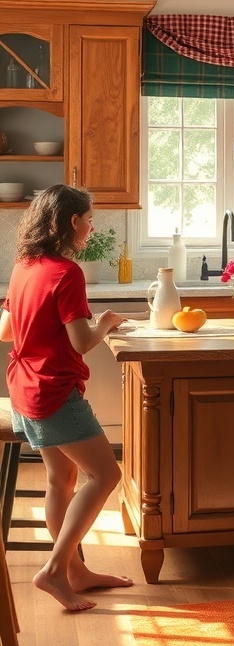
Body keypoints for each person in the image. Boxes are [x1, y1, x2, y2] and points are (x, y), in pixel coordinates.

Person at [0, 184, 133, 612]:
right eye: (89, 220)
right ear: (72, 222)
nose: (92, 228)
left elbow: (5, 331)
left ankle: (75, 571)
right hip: (54, 392)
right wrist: (105, 323)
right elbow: (81, 343)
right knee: (106, 475)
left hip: (23, 387)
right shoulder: (66, 272)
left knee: (61, 479)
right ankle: (56, 570)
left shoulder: (24, 265)